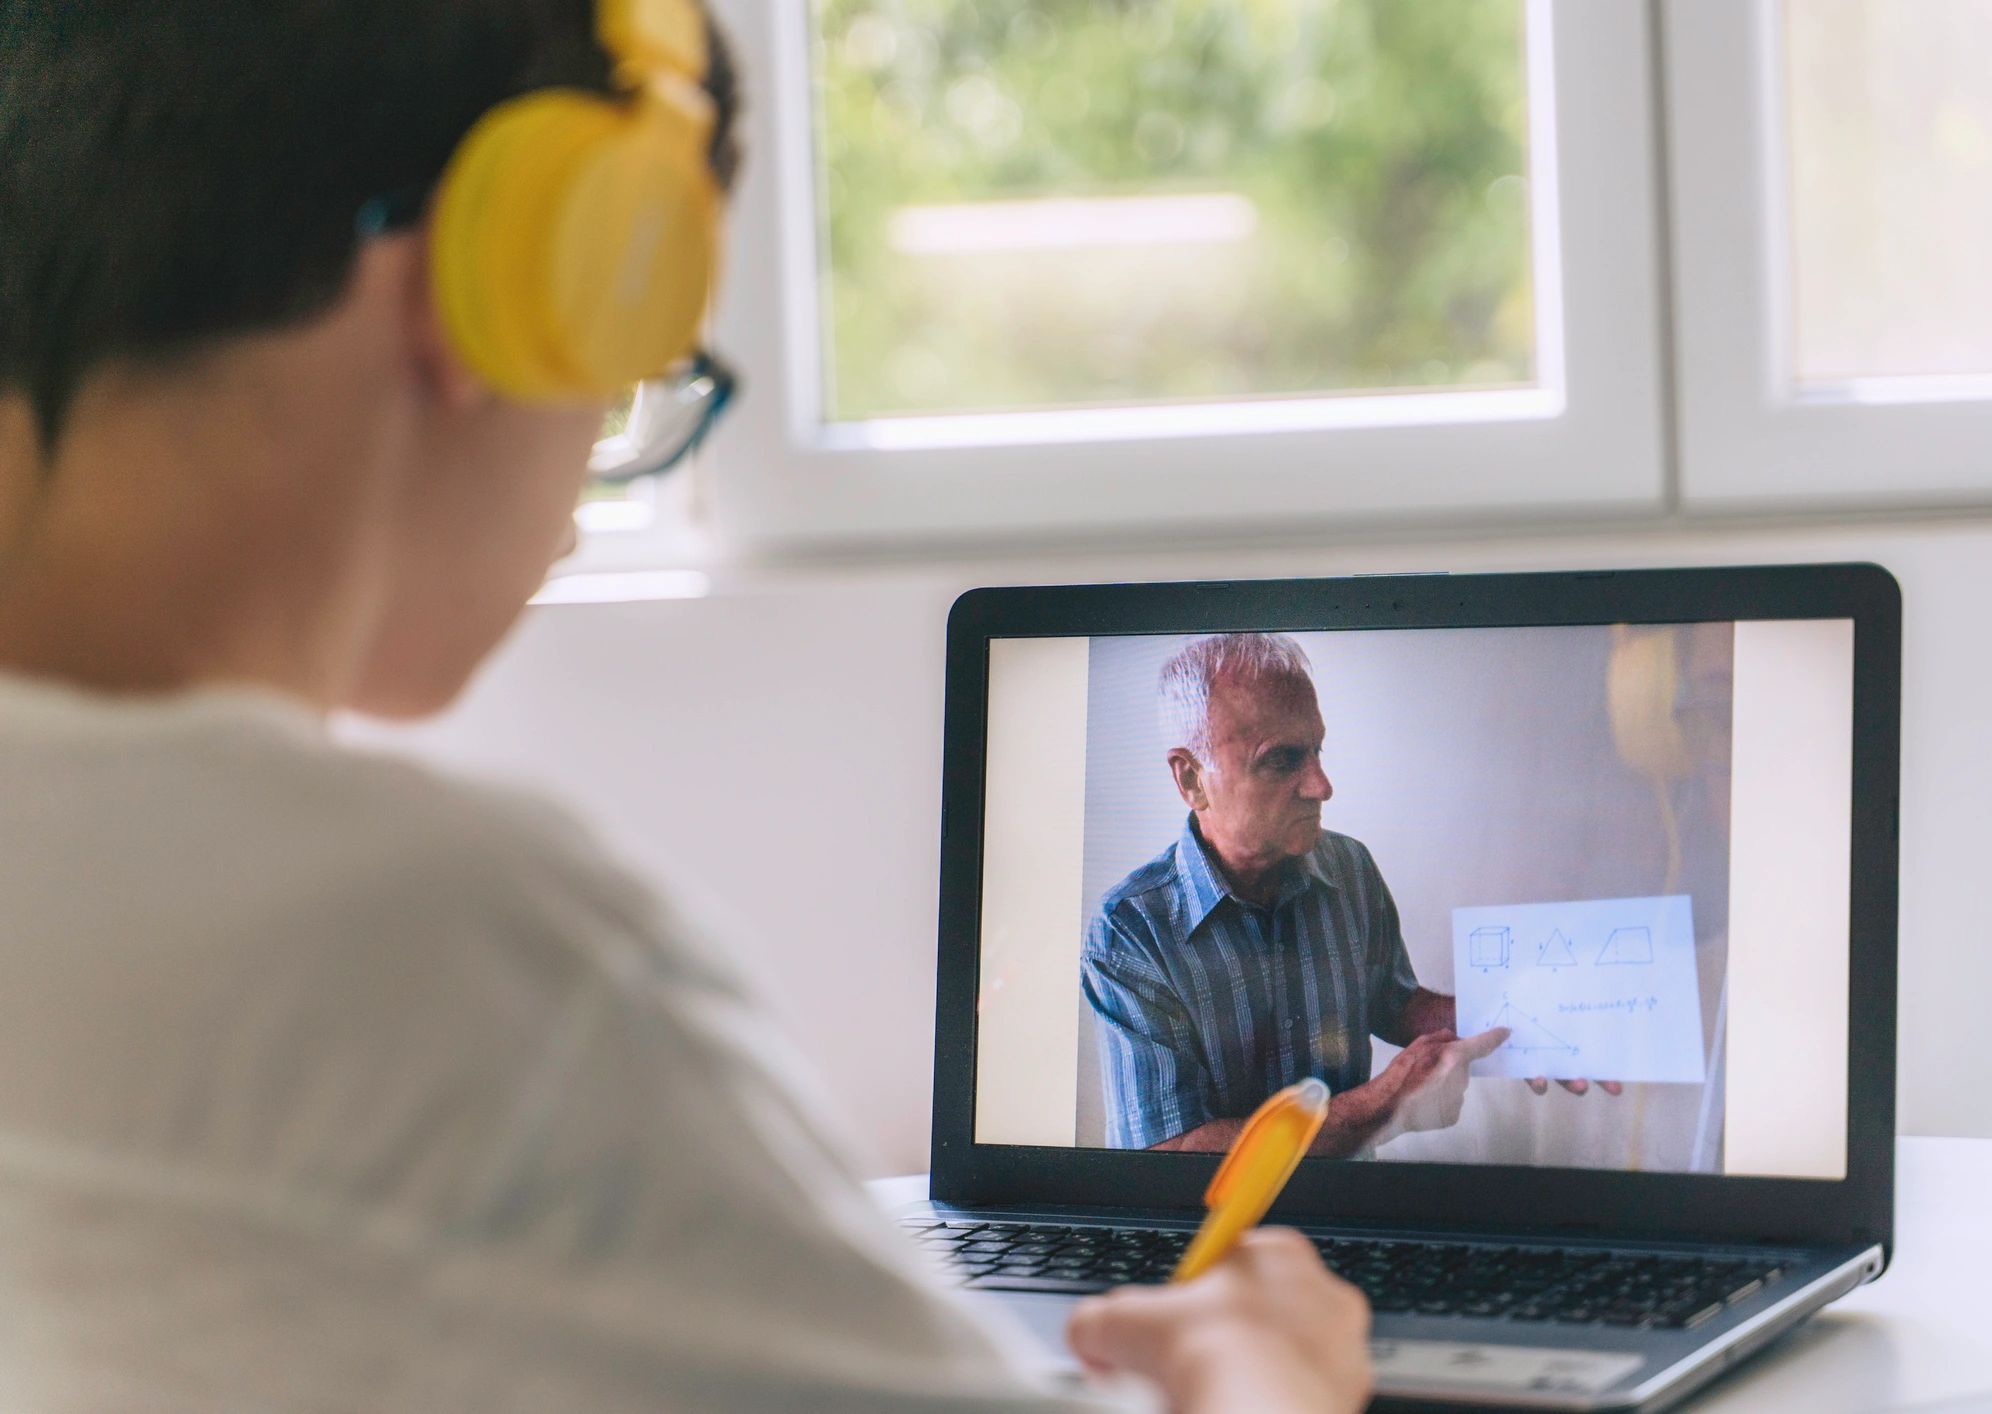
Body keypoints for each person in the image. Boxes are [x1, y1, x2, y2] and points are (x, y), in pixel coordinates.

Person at [0, 3, 1371, 1410]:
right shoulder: (450, 952)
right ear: (508, 283)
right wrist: (1268, 1375)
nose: (588, 486)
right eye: (634, 369)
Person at [1083, 634, 1601, 1156]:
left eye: (1316, 751)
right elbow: (1170, 1154)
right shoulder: (1130, 931)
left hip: (1352, 1214)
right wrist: (1385, 1103)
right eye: (1282, 760)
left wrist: (1530, 1020)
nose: (1321, 785)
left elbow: (1393, 1003)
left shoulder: (1348, 867)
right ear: (1192, 778)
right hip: (1217, 1237)